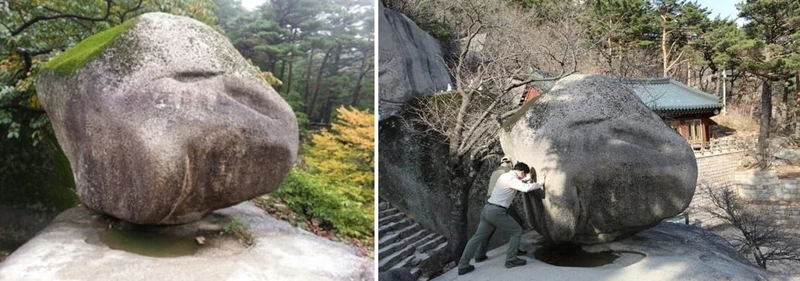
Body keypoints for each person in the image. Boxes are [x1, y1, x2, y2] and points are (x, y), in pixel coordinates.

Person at [458, 162, 543, 275]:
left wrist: (526, 179)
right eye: (525, 174)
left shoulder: (506, 176)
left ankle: (463, 265)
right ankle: (511, 260)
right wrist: (541, 183)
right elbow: (525, 188)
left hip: (487, 209)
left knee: (476, 238)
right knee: (517, 231)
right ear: (522, 172)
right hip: (497, 212)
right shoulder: (511, 178)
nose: (525, 176)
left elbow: (518, 183)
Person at [473, 156, 525, 262]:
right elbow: (517, 185)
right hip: (500, 203)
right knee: (517, 224)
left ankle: (480, 254)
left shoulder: (496, 171)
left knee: (488, 230)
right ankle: (514, 251)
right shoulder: (508, 173)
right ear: (510, 163)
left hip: (490, 201)